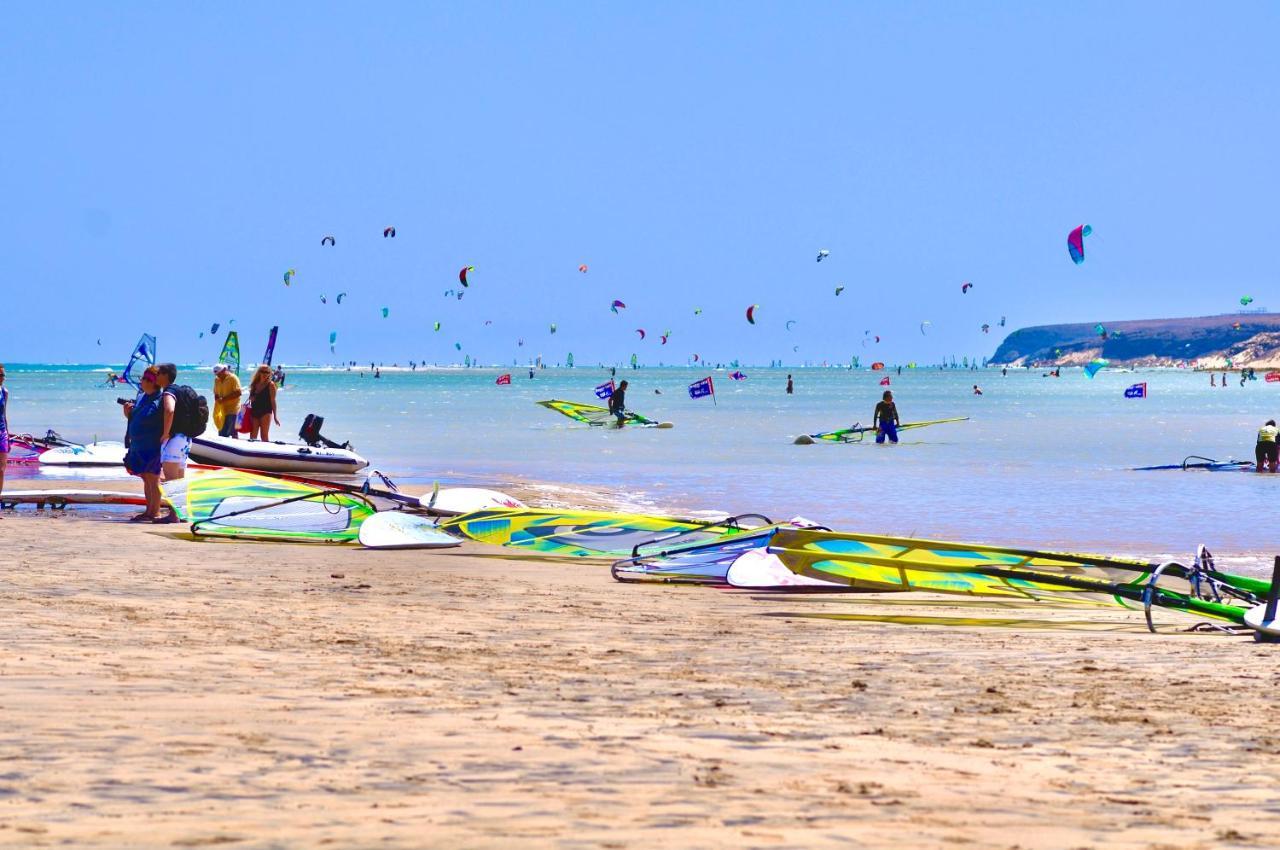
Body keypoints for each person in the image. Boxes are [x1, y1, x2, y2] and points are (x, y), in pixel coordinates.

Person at [122, 368, 166, 522]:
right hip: (139, 445)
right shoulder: (143, 397)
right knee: (146, 478)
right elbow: (136, 418)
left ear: (151, 382)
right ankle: (149, 510)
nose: (141, 381)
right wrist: (128, 413)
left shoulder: (158, 400)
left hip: (151, 445)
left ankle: (156, 511)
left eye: (143, 379)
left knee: (153, 479)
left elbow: (153, 420)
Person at [153, 363, 191, 485]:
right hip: (185, 440)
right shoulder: (180, 391)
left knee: (171, 484)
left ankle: (173, 505)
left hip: (173, 441)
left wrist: (165, 433)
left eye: (158, 374)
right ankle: (182, 504)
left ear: (166, 375)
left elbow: (170, 410)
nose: (155, 377)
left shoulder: (169, 392)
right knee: (179, 483)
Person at [248, 365, 280, 440]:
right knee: (252, 436)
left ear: (270, 373)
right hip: (254, 411)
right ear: (259, 372)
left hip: (266, 411)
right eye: (262, 371)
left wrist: (275, 416)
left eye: (267, 372)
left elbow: (273, 401)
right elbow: (251, 398)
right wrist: (252, 398)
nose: (265, 374)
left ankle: (266, 451)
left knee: (264, 436)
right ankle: (253, 451)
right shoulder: (254, 384)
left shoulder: (271, 385)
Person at [212, 364, 242, 439]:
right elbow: (216, 393)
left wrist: (223, 399)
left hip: (233, 409)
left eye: (219, 374)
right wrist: (217, 399)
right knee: (221, 432)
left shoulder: (233, 378)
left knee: (233, 432)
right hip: (222, 410)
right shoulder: (216, 379)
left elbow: (238, 392)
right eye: (216, 374)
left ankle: (235, 448)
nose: (218, 376)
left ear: (224, 370)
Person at [0, 364, 9, 501]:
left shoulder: (4, 392)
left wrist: (7, 433)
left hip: (2, 433)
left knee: (2, 468)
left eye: (3, 375)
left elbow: (4, 415)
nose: (1, 378)